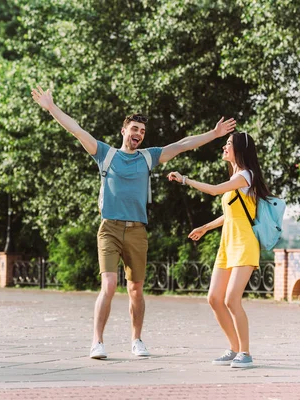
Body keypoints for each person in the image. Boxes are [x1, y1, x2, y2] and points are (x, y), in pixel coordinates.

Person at [31, 86, 236, 359]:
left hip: (137, 229)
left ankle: (137, 340)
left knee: (136, 289)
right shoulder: (106, 154)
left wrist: (214, 134)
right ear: (124, 131)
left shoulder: (148, 157)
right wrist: (51, 108)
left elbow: (183, 144)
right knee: (109, 285)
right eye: (134, 129)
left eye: (142, 131)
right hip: (110, 229)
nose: (138, 134)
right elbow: (77, 130)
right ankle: (97, 342)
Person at [167, 131, 271, 368]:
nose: (224, 147)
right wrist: (205, 227)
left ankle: (245, 352)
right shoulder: (237, 176)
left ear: (240, 150)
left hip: (245, 244)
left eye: (228, 144)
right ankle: (234, 348)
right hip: (228, 244)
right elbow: (229, 214)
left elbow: (215, 190)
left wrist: (185, 180)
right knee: (214, 298)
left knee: (232, 299)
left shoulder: (246, 175)